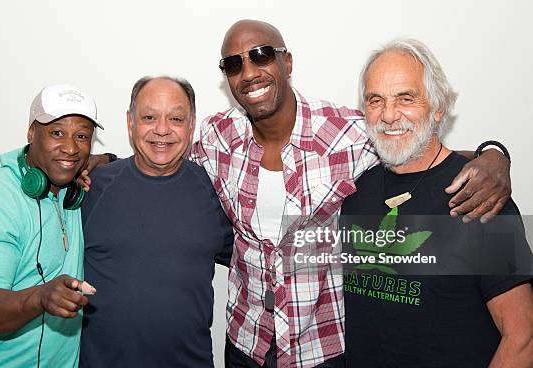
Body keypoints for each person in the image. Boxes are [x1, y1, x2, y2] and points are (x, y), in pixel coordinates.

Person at [84, 20, 512, 368]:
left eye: (261, 55)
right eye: (233, 64)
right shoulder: (216, 137)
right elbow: (161, 145)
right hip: (245, 344)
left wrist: (494, 155)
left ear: (287, 62)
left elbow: (414, 140)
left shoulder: (346, 132)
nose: (248, 71)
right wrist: (100, 161)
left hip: (322, 348)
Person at [340, 38, 533, 367]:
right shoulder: (357, 192)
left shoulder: (479, 195)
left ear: (438, 106)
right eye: (375, 100)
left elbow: (523, 337)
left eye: (405, 98)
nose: (388, 115)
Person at [0, 84, 101, 367]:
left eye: (82, 137)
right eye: (57, 132)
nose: (71, 147)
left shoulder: (70, 191)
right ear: (31, 133)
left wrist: (102, 161)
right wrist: (41, 297)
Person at [79, 76, 234, 368]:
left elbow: (254, 258)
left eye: (175, 118)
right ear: (130, 123)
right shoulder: (92, 187)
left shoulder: (215, 191)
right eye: (149, 117)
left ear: (191, 126)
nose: (162, 130)